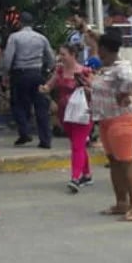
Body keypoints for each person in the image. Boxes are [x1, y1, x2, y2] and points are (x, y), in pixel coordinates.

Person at [90, 31, 132, 222]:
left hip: (122, 119)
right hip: (106, 119)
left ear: (104, 49)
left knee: (127, 162)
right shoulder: (108, 67)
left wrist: (122, 94)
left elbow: (131, 81)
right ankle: (121, 202)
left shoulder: (121, 67)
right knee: (114, 161)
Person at [43, 45, 94, 192]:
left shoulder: (84, 72)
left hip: (82, 113)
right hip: (65, 113)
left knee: (77, 145)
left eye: (64, 54)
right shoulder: (59, 71)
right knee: (78, 144)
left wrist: (85, 88)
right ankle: (86, 174)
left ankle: (75, 177)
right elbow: (50, 85)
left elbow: (95, 89)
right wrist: (44, 89)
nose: (61, 57)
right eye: (60, 54)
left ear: (73, 55)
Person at [0, 12, 55, 148]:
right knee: (41, 107)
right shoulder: (41, 38)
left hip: (20, 74)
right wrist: (47, 70)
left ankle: (24, 132)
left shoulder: (15, 37)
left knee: (18, 104)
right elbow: (51, 58)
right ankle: (45, 139)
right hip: (37, 73)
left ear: (20, 23)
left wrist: (5, 74)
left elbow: (8, 59)